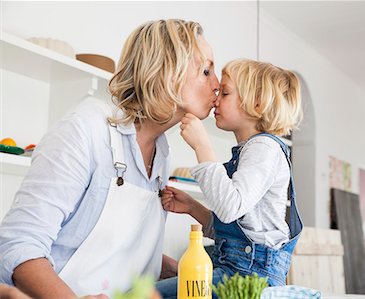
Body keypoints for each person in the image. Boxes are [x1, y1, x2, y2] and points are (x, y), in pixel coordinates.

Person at [0, 19, 219, 298]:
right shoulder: (87, 128)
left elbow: (116, 248)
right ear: (167, 72)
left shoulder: (162, 151)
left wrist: (180, 270)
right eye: (206, 70)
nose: (217, 84)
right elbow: (18, 245)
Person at [156, 59, 304, 298]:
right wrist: (193, 208)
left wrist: (202, 145)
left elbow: (229, 208)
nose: (216, 98)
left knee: (142, 294)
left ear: (257, 103)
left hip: (248, 276)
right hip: (238, 267)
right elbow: (239, 231)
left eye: (224, 93)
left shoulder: (263, 148)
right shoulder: (252, 151)